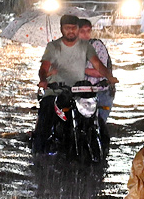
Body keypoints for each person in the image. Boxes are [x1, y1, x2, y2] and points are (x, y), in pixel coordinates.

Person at [33, 14, 110, 152]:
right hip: (57, 91)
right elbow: (43, 69)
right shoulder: (53, 47)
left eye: (74, 28)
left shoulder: (86, 47)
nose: (71, 31)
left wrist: (108, 76)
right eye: (67, 28)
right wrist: (44, 79)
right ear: (61, 29)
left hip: (78, 92)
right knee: (46, 115)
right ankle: (38, 152)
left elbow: (98, 65)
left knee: (97, 122)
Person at [78, 18, 118, 125]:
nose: (86, 35)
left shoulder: (97, 46)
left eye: (88, 31)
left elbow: (101, 72)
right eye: (82, 31)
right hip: (82, 94)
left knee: (98, 126)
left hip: (101, 92)